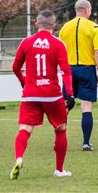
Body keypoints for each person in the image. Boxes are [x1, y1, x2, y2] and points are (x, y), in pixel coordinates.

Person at [10, 10, 75, 179]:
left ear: (36, 24)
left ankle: (19, 158)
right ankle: (59, 170)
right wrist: (70, 94)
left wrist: (24, 80)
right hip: (52, 95)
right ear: (54, 26)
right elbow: (66, 71)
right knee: (60, 129)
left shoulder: (26, 42)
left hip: (30, 95)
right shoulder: (58, 44)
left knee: (24, 129)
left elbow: (15, 67)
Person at [59, 0, 98, 151]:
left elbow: (59, 51)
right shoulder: (93, 27)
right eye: (90, 10)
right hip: (86, 69)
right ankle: (86, 143)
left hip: (69, 70)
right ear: (86, 10)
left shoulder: (65, 28)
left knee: (65, 106)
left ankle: (59, 141)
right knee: (86, 107)